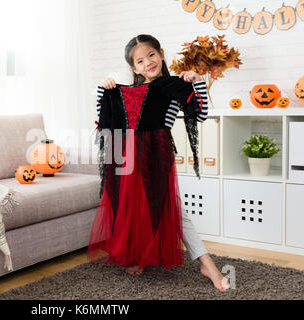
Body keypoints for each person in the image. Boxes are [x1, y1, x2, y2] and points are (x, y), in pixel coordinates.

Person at [88, 34, 230, 292]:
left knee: (169, 208)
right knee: (135, 210)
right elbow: (102, 121)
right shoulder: (125, 91)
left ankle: (207, 264)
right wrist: (103, 87)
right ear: (134, 68)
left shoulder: (173, 86)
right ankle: (143, 258)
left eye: (151, 55)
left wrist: (196, 81)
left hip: (155, 156)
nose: (147, 63)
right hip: (126, 158)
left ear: (162, 53)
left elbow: (201, 113)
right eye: (140, 61)